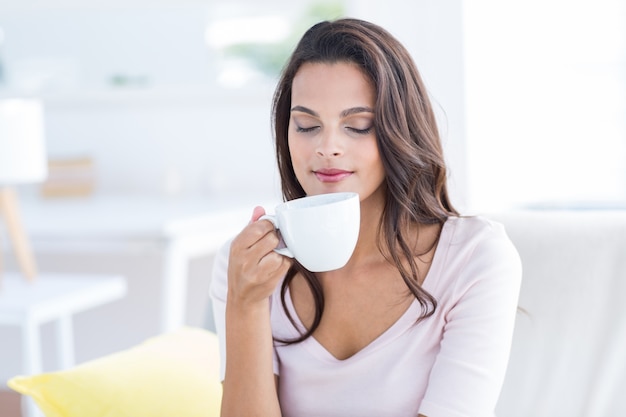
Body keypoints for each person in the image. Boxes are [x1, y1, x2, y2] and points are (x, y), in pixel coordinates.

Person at [210, 18, 522, 417]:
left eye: (357, 126)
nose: (327, 147)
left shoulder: (474, 260)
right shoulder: (245, 270)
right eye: (306, 125)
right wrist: (246, 305)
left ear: (399, 130)